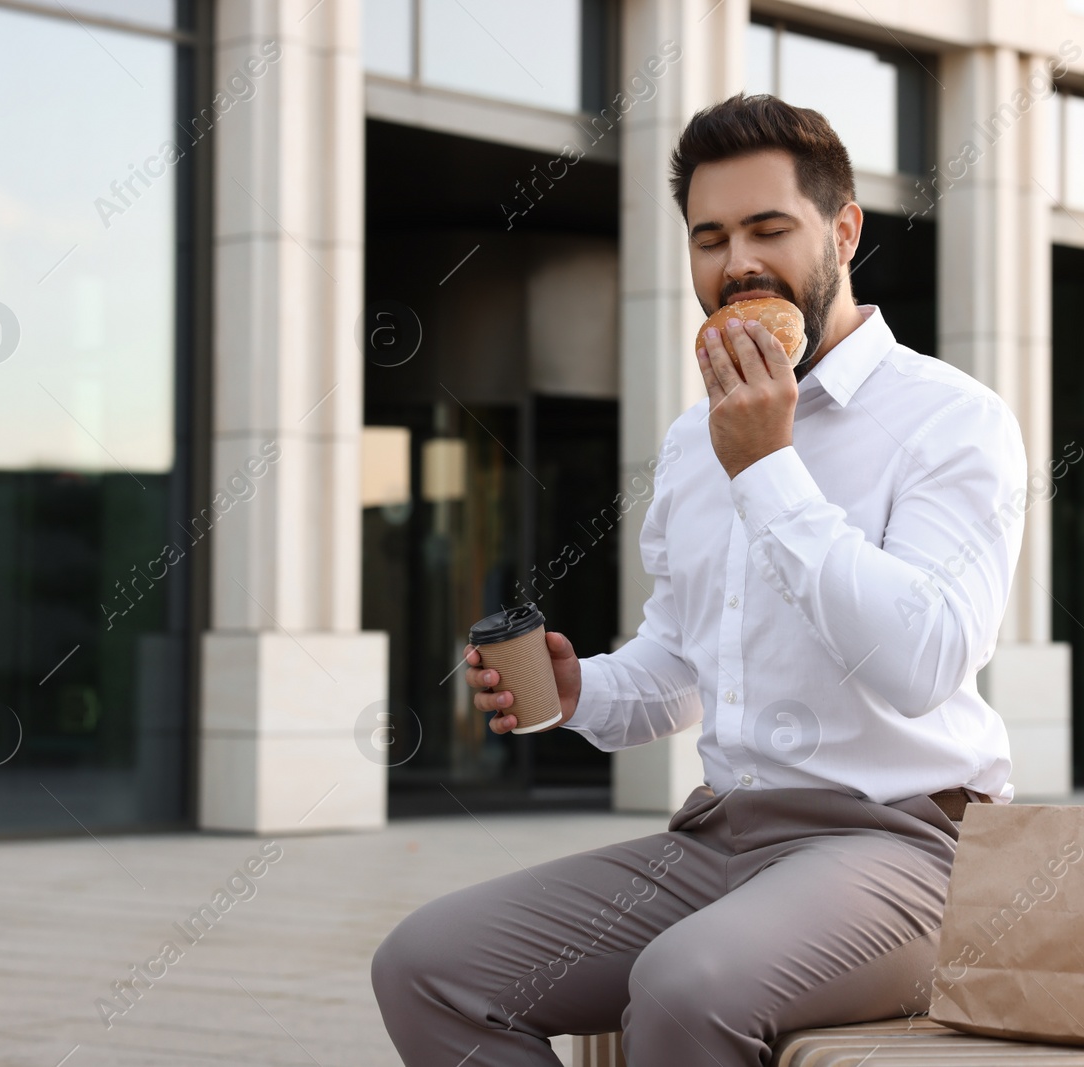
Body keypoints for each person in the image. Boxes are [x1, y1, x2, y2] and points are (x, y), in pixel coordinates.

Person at [372, 92, 1027, 1067]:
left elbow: (923, 659)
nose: (737, 265)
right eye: (709, 237)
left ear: (843, 230)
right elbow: (680, 666)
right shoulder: (692, 439)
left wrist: (767, 465)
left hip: (908, 848)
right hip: (722, 835)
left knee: (685, 986)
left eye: (770, 229)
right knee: (426, 965)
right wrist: (577, 687)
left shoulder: (951, 419)